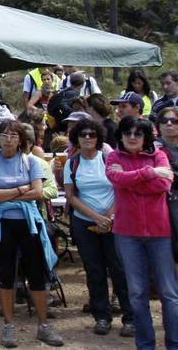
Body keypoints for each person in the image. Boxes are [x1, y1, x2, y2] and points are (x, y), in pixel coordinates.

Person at [0, 119, 62, 348]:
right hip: (3, 225)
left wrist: (7, 193)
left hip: (29, 224)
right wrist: (21, 189)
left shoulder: (31, 161)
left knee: (36, 274)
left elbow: (37, 192)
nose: (8, 139)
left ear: (21, 139)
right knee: (5, 275)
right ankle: (9, 326)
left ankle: (43, 326)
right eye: (4, 135)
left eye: (13, 135)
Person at [107, 116, 178, 350]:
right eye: (128, 133)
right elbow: (116, 179)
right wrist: (150, 173)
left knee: (169, 292)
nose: (132, 137)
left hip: (160, 233)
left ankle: (174, 344)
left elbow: (164, 185)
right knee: (137, 293)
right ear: (121, 135)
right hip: (127, 234)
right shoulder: (114, 157)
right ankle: (145, 345)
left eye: (138, 133)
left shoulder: (159, 155)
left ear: (146, 136)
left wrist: (132, 179)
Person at [63, 119, 133, 338]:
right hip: (85, 222)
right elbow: (71, 196)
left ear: (98, 138)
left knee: (119, 269)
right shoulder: (72, 163)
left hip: (114, 221)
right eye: (83, 134)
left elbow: (121, 188)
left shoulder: (109, 158)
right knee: (94, 270)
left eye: (92, 134)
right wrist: (96, 217)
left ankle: (130, 317)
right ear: (76, 138)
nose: (87, 138)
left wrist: (109, 217)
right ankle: (101, 315)